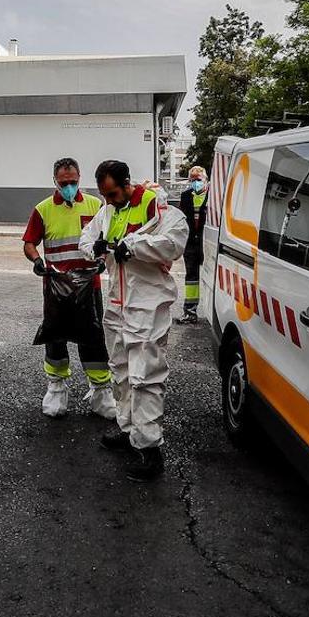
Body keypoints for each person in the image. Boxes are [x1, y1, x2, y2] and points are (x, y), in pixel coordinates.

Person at [80, 160, 188, 481]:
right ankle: (129, 431)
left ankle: (150, 448)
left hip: (147, 302)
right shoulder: (109, 211)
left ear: (127, 183)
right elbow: (86, 237)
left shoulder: (157, 205)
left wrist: (135, 246)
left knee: (146, 375)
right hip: (117, 302)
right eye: (104, 195)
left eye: (112, 193)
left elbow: (175, 241)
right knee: (121, 370)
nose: (108, 200)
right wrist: (94, 248)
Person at [22, 158, 117, 419]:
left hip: (89, 285)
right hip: (56, 286)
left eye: (73, 182)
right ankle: (56, 387)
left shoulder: (96, 205)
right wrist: (37, 260)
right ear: (55, 181)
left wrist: (101, 260)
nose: (69, 187)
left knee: (93, 336)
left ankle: (100, 390)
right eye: (64, 183)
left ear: (80, 178)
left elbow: (106, 239)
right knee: (55, 336)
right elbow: (29, 242)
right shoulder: (43, 210)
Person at [176, 166, 209, 324]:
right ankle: (190, 312)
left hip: (207, 242)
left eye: (199, 179)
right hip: (190, 243)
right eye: (193, 180)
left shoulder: (214, 197)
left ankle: (214, 313)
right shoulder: (185, 196)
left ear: (206, 180)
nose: (196, 182)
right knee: (191, 278)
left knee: (213, 277)